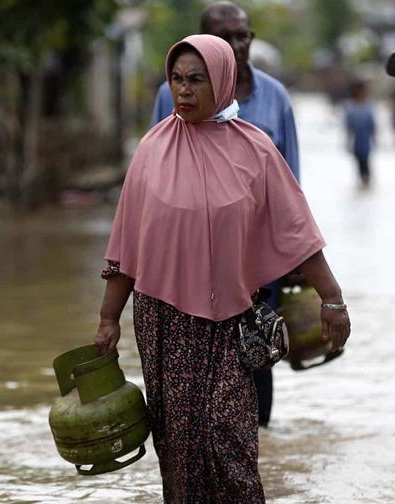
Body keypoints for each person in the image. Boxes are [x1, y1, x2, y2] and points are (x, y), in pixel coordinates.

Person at [95, 35, 351, 501]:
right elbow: (125, 246)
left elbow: (298, 233)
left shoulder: (255, 150)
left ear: (224, 82)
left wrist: (332, 300)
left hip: (233, 321)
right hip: (164, 323)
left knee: (231, 438)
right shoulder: (152, 151)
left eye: (197, 79)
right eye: (177, 79)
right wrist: (108, 318)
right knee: (179, 447)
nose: (184, 91)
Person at [151, 1, 301, 427]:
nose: (236, 46)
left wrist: (294, 257)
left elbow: (291, 183)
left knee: (257, 352)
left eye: (242, 36)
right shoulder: (172, 94)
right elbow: (154, 176)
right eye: (224, 38)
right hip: (190, 256)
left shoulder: (275, 97)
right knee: (192, 362)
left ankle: (258, 437)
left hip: (256, 258)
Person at [344, 80, 376, 189]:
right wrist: (347, 141)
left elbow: (373, 125)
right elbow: (348, 126)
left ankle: (366, 182)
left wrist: (374, 139)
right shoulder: (350, 107)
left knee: (366, 161)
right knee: (358, 162)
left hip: (366, 140)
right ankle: (362, 183)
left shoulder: (368, 107)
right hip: (356, 140)